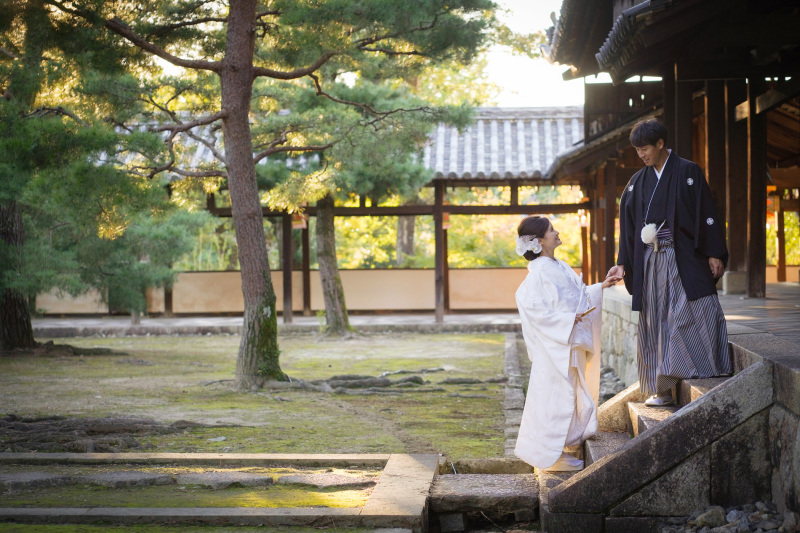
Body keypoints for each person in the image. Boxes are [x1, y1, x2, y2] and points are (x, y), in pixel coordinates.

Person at [607, 118, 731, 407]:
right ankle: (659, 388)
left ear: (661, 144)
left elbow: (706, 212)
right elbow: (627, 226)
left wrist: (713, 251)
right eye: (637, 150)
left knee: (695, 308)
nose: (641, 155)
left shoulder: (689, 172)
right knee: (655, 320)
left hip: (682, 256)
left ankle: (702, 367)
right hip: (651, 261)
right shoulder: (637, 182)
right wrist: (623, 262)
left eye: (645, 148)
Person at [514, 215, 621, 472]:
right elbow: (534, 309)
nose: (557, 232)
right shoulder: (538, 272)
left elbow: (579, 294)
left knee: (569, 394)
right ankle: (550, 456)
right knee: (554, 397)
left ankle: (559, 450)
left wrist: (601, 287)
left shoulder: (558, 265)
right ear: (539, 240)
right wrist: (565, 319)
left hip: (568, 341)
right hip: (556, 346)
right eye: (552, 230)